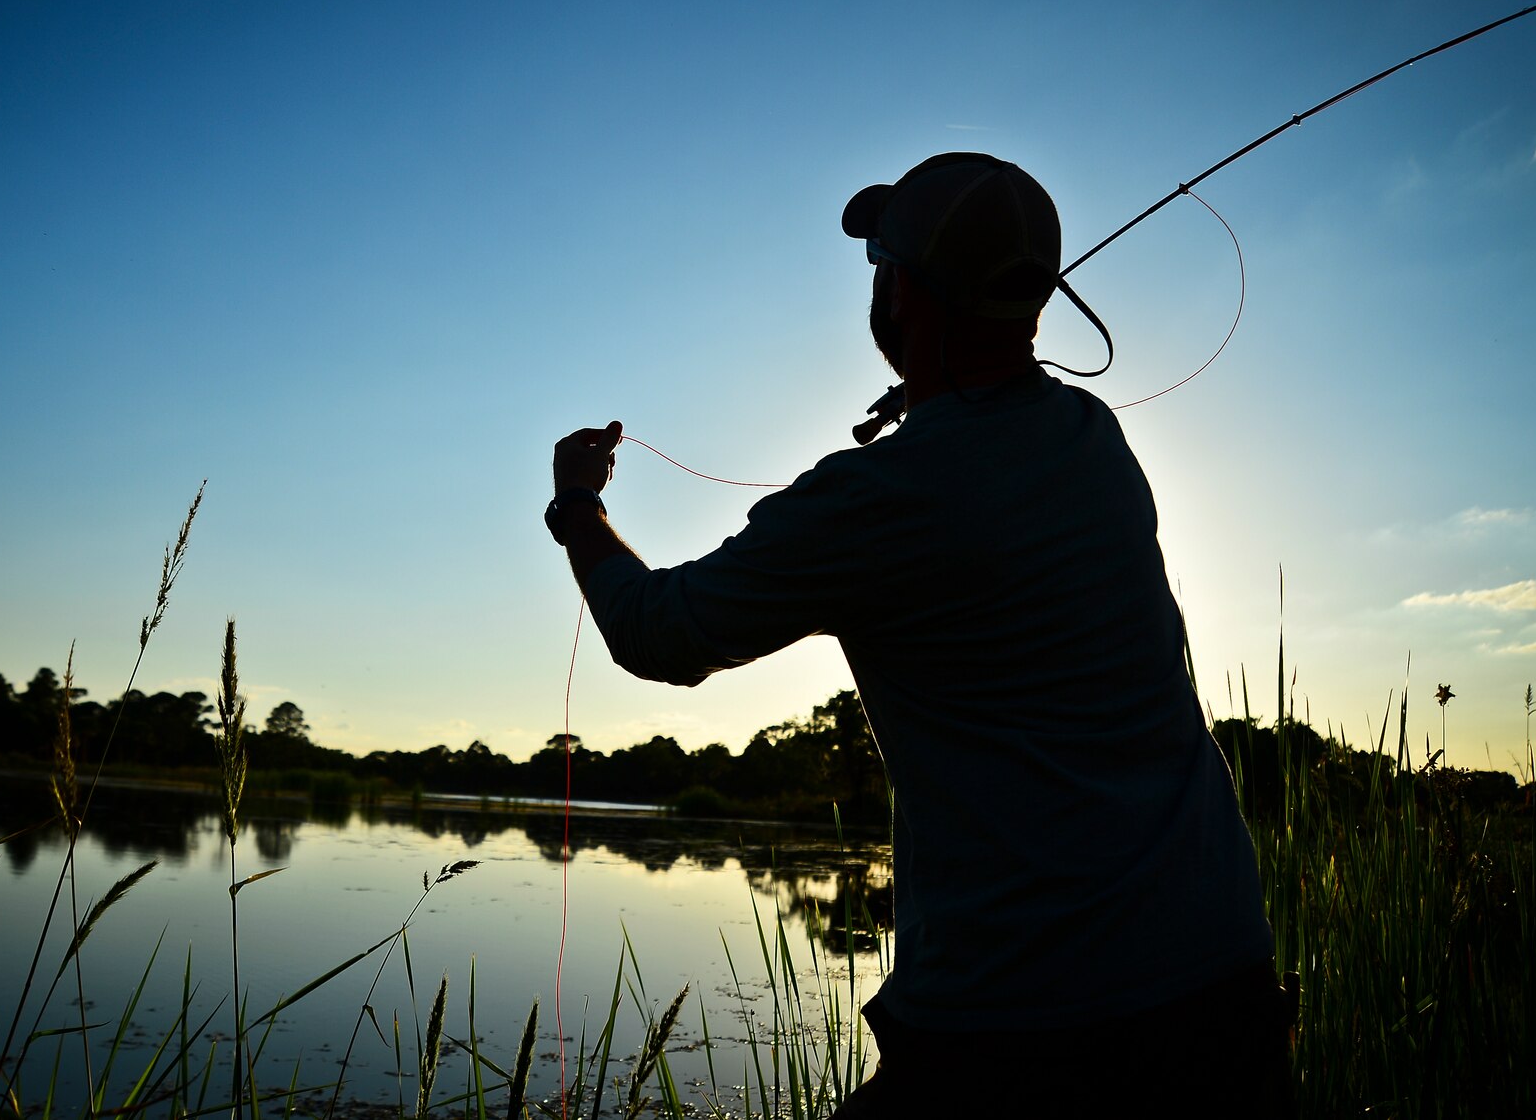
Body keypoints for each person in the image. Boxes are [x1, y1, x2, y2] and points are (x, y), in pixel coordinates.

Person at [547, 153, 1293, 1115]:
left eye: (879, 265)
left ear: (901, 289)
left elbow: (657, 633)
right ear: (1033, 303)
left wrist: (578, 507)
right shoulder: (1095, 441)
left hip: (1021, 1030)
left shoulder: (874, 497)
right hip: (1224, 998)